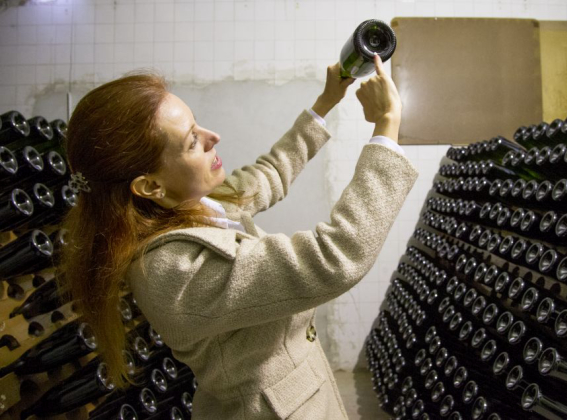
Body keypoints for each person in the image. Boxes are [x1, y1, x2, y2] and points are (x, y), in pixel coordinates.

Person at [59, 54, 418, 419]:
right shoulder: (173, 272)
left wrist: (328, 100)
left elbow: (271, 171)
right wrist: (387, 126)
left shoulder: (193, 207)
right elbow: (335, 257)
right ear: (150, 185)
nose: (213, 137)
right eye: (192, 141)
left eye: (197, 124)